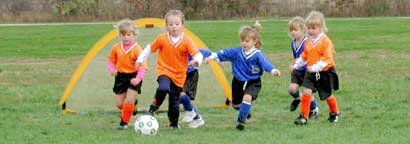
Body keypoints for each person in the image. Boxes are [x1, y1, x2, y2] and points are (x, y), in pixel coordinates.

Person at [205, 21, 281, 131]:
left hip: (253, 81)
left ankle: (240, 121)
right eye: (242, 41)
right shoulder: (236, 52)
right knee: (236, 105)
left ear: (254, 41)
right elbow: (223, 53)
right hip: (238, 81)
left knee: (247, 97)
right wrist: (211, 57)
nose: (244, 43)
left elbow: (265, 64)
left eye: (246, 41)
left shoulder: (257, 54)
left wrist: (273, 70)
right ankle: (245, 111)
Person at [136, 9, 203, 129]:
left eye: (177, 24)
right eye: (170, 24)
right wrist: (139, 60)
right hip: (164, 71)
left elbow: (198, 54)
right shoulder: (162, 38)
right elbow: (149, 49)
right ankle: (153, 107)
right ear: (166, 26)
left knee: (174, 102)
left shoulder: (187, 40)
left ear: (182, 25)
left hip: (179, 76)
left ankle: (174, 124)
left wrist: (196, 61)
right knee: (163, 88)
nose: (174, 27)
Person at [291, 11, 340, 125]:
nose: (310, 31)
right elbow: (304, 56)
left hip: (324, 72)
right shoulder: (308, 41)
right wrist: (296, 65)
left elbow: (327, 59)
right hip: (311, 72)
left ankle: (334, 112)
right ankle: (304, 116)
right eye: (309, 28)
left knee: (327, 95)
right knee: (307, 91)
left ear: (321, 28)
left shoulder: (325, 41)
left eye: (313, 28)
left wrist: (315, 67)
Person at [145, 48, 212, 128]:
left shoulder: (195, 50)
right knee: (175, 97)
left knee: (180, 95)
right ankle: (196, 118)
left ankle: (191, 112)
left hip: (190, 76)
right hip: (178, 74)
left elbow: (211, 54)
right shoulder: (175, 50)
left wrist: (210, 59)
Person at [107, 19, 148, 130]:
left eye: (128, 35)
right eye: (123, 34)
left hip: (134, 77)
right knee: (120, 104)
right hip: (120, 77)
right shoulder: (116, 47)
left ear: (134, 35)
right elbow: (111, 60)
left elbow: (143, 67)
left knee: (128, 100)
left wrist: (138, 78)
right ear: (120, 35)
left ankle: (123, 123)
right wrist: (112, 69)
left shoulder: (137, 49)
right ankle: (133, 106)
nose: (126, 37)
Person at [287, 16, 319, 119]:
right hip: (297, 70)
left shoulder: (307, 42)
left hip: (307, 70)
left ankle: (314, 109)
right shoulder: (293, 43)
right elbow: (295, 56)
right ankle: (298, 99)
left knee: (307, 92)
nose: (293, 32)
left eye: (295, 30)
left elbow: (311, 56)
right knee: (292, 89)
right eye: (291, 30)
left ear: (303, 30)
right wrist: (293, 64)